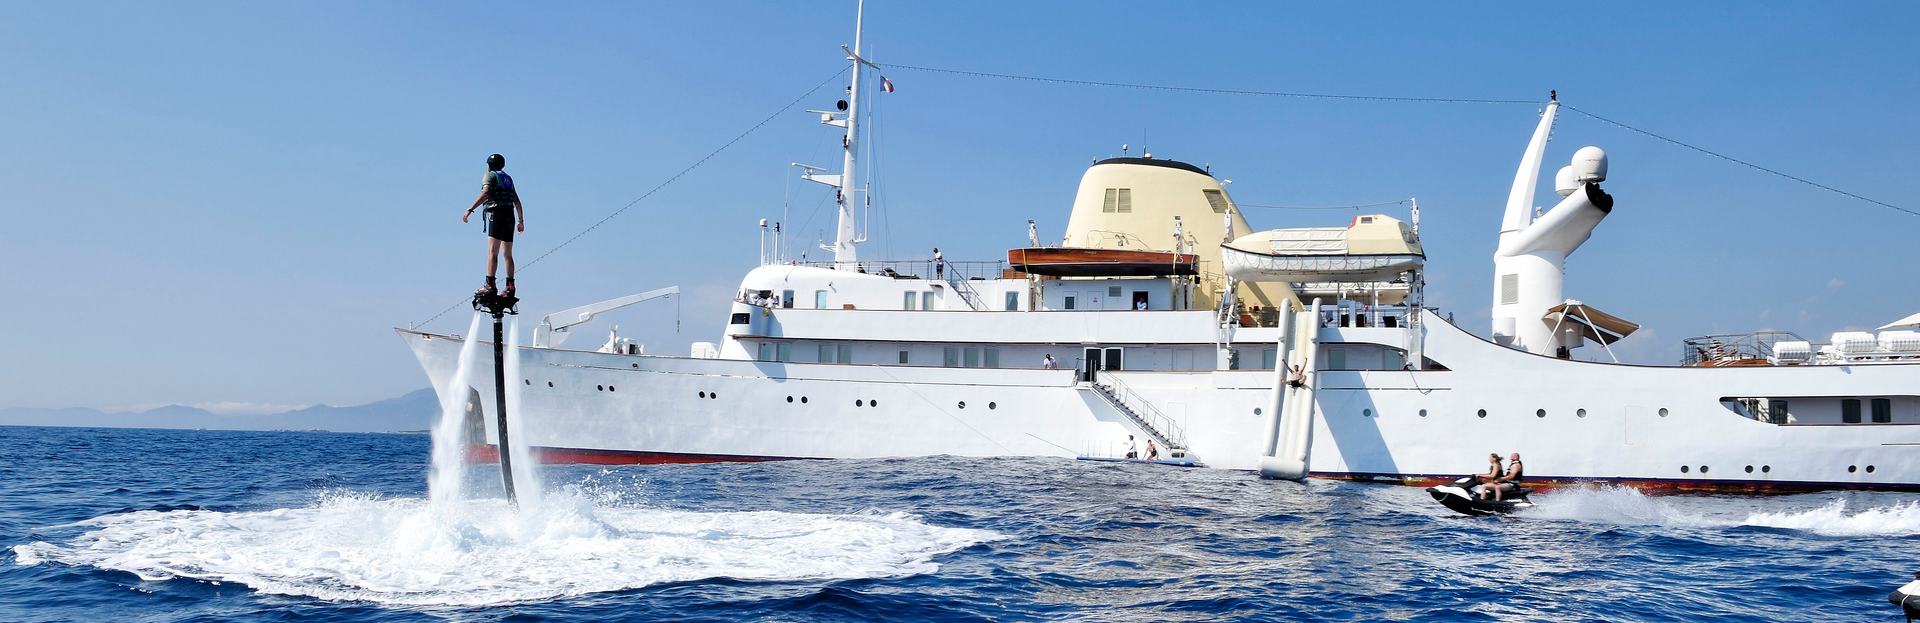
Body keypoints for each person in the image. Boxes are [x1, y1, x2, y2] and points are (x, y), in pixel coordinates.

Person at [463, 153, 524, 297]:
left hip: (496, 214)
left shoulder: (490, 175)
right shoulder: (508, 179)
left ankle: (490, 285)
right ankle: (510, 287)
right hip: (509, 215)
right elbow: (516, 200)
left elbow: (486, 193)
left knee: (492, 252)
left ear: (490, 165)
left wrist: (470, 209)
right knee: (508, 254)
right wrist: (521, 221)